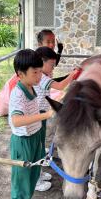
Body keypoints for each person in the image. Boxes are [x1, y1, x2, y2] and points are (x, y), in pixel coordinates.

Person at [9, 49, 53, 199]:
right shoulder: (18, 94)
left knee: (33, 175)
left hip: (34, 138)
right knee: (21, 181)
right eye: (35, 72)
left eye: (41, 71)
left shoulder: (31, 86)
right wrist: (45, 115)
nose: (39, 76)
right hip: (23, 143)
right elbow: (16, 120)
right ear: (20, 74)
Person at [33, 47, 78, 190]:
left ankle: (38, 173)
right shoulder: (41, 77)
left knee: (40, 144)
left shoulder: (41, 75)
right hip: (37, 115)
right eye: (52, 65)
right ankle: (35, 180)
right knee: (35, 147)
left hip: (41, 113)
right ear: (41, 62)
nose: (53, 67)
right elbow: (59, 86)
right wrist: (73, 75)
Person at [0, 29, 64, 116]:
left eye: (53, 41)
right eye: (48, 42)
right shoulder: (38, 58)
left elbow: (53, 63)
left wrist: (60, 50)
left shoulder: (47, 56)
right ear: (40, 44)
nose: (52, 44)